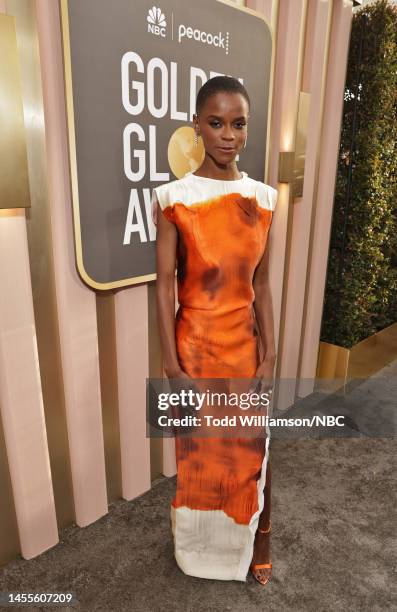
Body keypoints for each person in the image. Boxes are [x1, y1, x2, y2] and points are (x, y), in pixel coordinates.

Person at [152, 75, 278, 585]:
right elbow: (163, 286)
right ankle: (198, 552)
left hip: (245, 354)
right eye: (217, 122)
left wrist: (271, 355)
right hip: (195, 357)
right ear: (197, 127)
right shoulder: (173, 198)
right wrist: (170, 364)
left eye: (239, 123)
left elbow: (263, 285)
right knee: (199, 458)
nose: (229, 134)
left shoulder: (263, 200)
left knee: (249, 454)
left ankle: (250, 548)